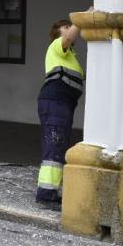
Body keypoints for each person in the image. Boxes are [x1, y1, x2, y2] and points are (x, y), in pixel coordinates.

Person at [35, 15, 86, 209]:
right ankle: (46, 195)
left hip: (63, 104)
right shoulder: (57, 45)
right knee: (54, 144)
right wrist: (81, 19)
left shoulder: (71, 56)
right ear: (58, 33)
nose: (69, 29)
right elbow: (69, 37)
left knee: (59, 145)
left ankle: (52, 191)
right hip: (55, 103)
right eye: (66, 27)